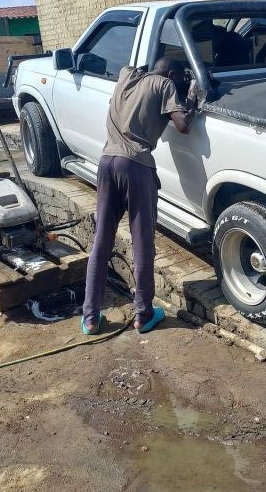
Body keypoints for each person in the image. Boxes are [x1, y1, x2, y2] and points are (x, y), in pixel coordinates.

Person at [81, 57, 198, 335]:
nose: (178, 84)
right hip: (135, 166)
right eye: (179, 77)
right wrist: (191, 95)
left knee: (101, 241)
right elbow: (183, 125)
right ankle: (144, 314)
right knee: (142, 243)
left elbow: (143, 68)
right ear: (171, 74)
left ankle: (90, 317)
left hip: (106, 162)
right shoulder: (166, 84)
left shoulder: (125, 74)